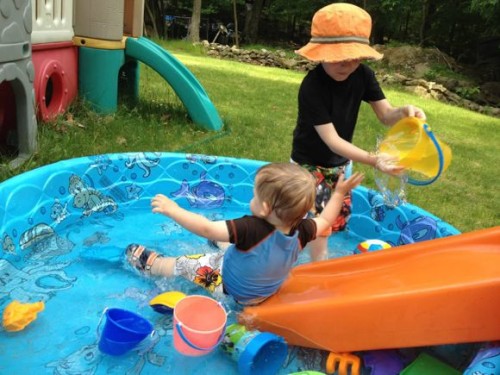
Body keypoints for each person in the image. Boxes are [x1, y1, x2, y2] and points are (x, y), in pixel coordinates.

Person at [291, 3, 427, 261]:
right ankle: (317, 269)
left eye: (354, 56)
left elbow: (387, 115)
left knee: (330, 222)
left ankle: (315, 260)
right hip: (308, 166)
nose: (347, 63)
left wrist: (405, 112)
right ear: (320, 53)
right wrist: (375, 160)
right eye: (338, 56)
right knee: (310, 223)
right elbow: (331, 140)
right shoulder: (312, 86)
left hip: (341, 165)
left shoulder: (363, 75)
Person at [125, 163, 364, 306]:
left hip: (231, 287)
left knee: (185, 264)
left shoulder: (251, 228)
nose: (253, 199)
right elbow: (326, 219)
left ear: (265, 208)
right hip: (267, 291)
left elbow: (205, 227)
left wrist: (174, 210)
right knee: (234, 244)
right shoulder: (304, 230)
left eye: (256, 195)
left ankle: (153, 265)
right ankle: (223, 242)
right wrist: (338, 193)